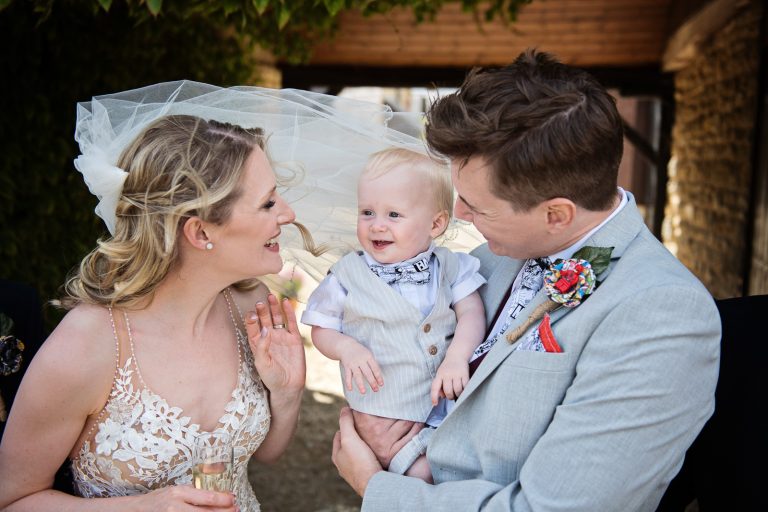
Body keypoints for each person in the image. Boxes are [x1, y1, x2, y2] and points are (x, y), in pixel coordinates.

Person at [331, 49, 721, 511]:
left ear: (557, 214)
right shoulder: (485, 259)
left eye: (478, 206)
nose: (459, 214)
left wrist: (378, 488)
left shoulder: (663, 314)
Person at [0, 110, 306, 510]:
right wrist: (141, 507)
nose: (288, 213)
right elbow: (13, 499)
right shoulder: (85, 346)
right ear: (200, 231)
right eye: (267, 203)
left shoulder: (252, 306)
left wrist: (287, 394)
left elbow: (266, 454)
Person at [301, 148, 486, 481]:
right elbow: (322, 328)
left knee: (455, 470)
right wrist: (347, 348)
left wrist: (457, 357)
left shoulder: (450, 266)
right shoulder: (347, 275)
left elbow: (472, 312)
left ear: (436, 223)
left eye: (394, 215)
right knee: (420, 475)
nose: (377, 225)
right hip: (383, 414)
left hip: (443, 406)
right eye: (367, 212)